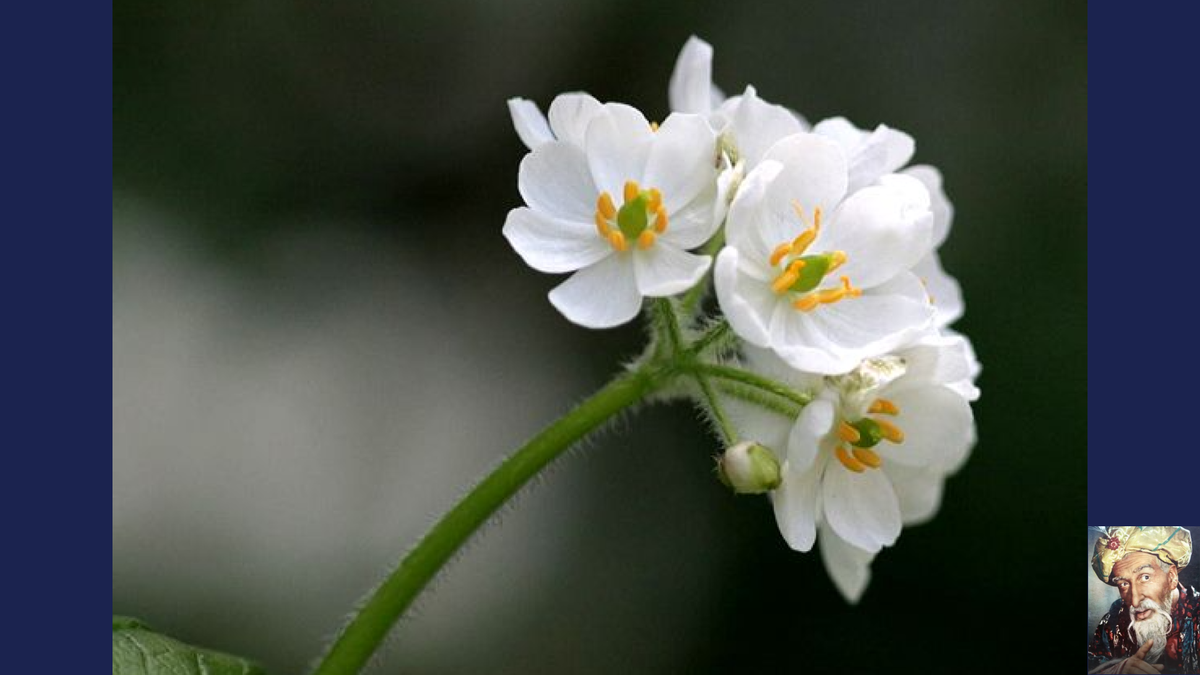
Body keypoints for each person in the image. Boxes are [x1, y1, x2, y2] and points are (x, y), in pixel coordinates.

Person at [1088, 527, 1199, 674]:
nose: (1135, 601)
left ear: (1172, 577)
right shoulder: (1113, 622)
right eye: (1124, 584)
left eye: (1145, 577)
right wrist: (1114, 671)